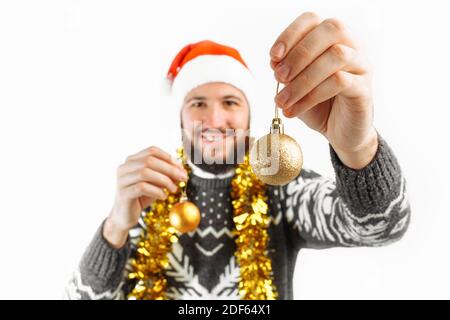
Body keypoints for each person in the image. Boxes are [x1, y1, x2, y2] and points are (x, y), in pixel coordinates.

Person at [65, 12, 411, 300]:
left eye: (230, 102)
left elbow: (380, 227)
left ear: (249, 116)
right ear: (180, 117)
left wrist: (356, 147)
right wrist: (114, 228)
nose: (214, 120)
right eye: (197, 103)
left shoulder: (282, 187)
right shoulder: (149, 193)